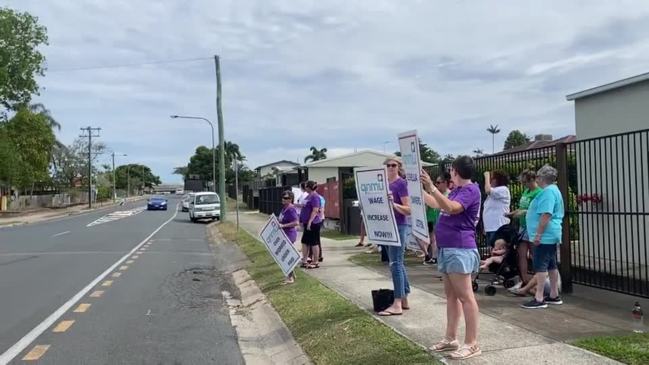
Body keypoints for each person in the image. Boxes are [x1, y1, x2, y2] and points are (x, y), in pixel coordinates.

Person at [421, 156, 482, 360]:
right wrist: (418, 188)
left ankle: (472, 343)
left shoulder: (471, 190)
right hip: (449, 248)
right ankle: (450, 337)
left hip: (460, 248)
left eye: (451, 170)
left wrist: (433, 188)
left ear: (456, 171)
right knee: (451, 296)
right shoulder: (456, 190)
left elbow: (451, 208)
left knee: (465, 296)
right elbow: (437, 204)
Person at [521, 165, 564, 309]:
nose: (536, 179)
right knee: (551, 265)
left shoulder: (548, 193)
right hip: (550, 235)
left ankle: (539, 297)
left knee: (540, 266)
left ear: (542, 178)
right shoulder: (553, 190)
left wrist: (538, 234)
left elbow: (546, 214)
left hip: (545, 235)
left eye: (538, 177)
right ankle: (553, 294)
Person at [377, 156, 412, 317]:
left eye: (394, 165)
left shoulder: (401, 184)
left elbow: (408, 209)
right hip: (387, 226)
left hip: (399, 225)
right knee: (397, 262)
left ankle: (397, 302)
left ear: (398, 167)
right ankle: (404, 298)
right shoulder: (383, 184)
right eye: (388, 165)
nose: (391, 168)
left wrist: (394, 204)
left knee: (395, 263)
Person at [507, 169, 543, 287]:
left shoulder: (538, 193)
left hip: (532, 226)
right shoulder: (526, 191)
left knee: (534, 254)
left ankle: (538, 281)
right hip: (523, 226)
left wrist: (523, 212)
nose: (523, 185)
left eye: (525, 182)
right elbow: (522, 208)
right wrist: (513, 213)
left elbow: (537, 210)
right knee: (521, 253)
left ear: (532, 180)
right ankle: (524, 279)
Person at [423, 172, 452, 265]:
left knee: (435, 241)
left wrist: (429, 188)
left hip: (447, 227)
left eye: (439, 182)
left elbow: (436, 204)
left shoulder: (449, 195)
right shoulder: (437, 194)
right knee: (434, 241)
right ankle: (436, 258)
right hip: (438, 223)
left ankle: (436, 258)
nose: (437, 184)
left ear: (445, 183)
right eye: (436, 183)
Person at [482, 170, 511, 248]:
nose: (490, 180)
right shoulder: (495, 192)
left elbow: (487, 190)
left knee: (498, 252)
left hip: (498, 227)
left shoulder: (503, 189)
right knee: (492, 253)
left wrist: (487, 176)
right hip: (491, 228)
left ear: (498, 179)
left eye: (492, 178)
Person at [299, 180, 322, 269]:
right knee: (305, 241)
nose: (304, 188)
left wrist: (309, 222)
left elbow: (315, 210)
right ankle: (305, 260)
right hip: (306, 222)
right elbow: (304, 206)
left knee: (314, 242)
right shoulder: (308, 196)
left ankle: (315, 261)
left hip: (313, 223)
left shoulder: (315, 197)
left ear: (308, 187)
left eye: (305, 186)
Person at [278, 190, 299, 284]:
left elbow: (296, 222)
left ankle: (290, 278)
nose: (283, 199)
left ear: (291, 199)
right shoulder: (284, 208)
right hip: (284, 235)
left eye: (286, 198)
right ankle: (291, 274)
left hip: (289, 234)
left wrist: (283, 226)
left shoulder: (291, 209)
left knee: (286, 255)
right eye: (283, 197)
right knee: (285, 254)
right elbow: (281, 220)